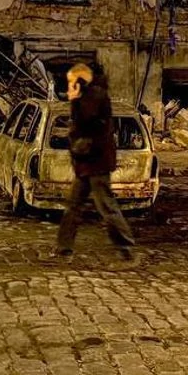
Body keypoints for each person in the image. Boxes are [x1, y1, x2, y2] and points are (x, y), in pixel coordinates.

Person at [56, 62, 136, 259]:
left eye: (71, 83)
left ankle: (126, 249)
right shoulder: (87, 98)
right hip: (86, 163)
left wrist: (74, 101)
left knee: (107, 207)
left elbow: (87, 124)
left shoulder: (95, 97)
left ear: (81, 83)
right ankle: (63, 249)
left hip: (96, 164)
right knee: (73, 207)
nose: (68, 88)